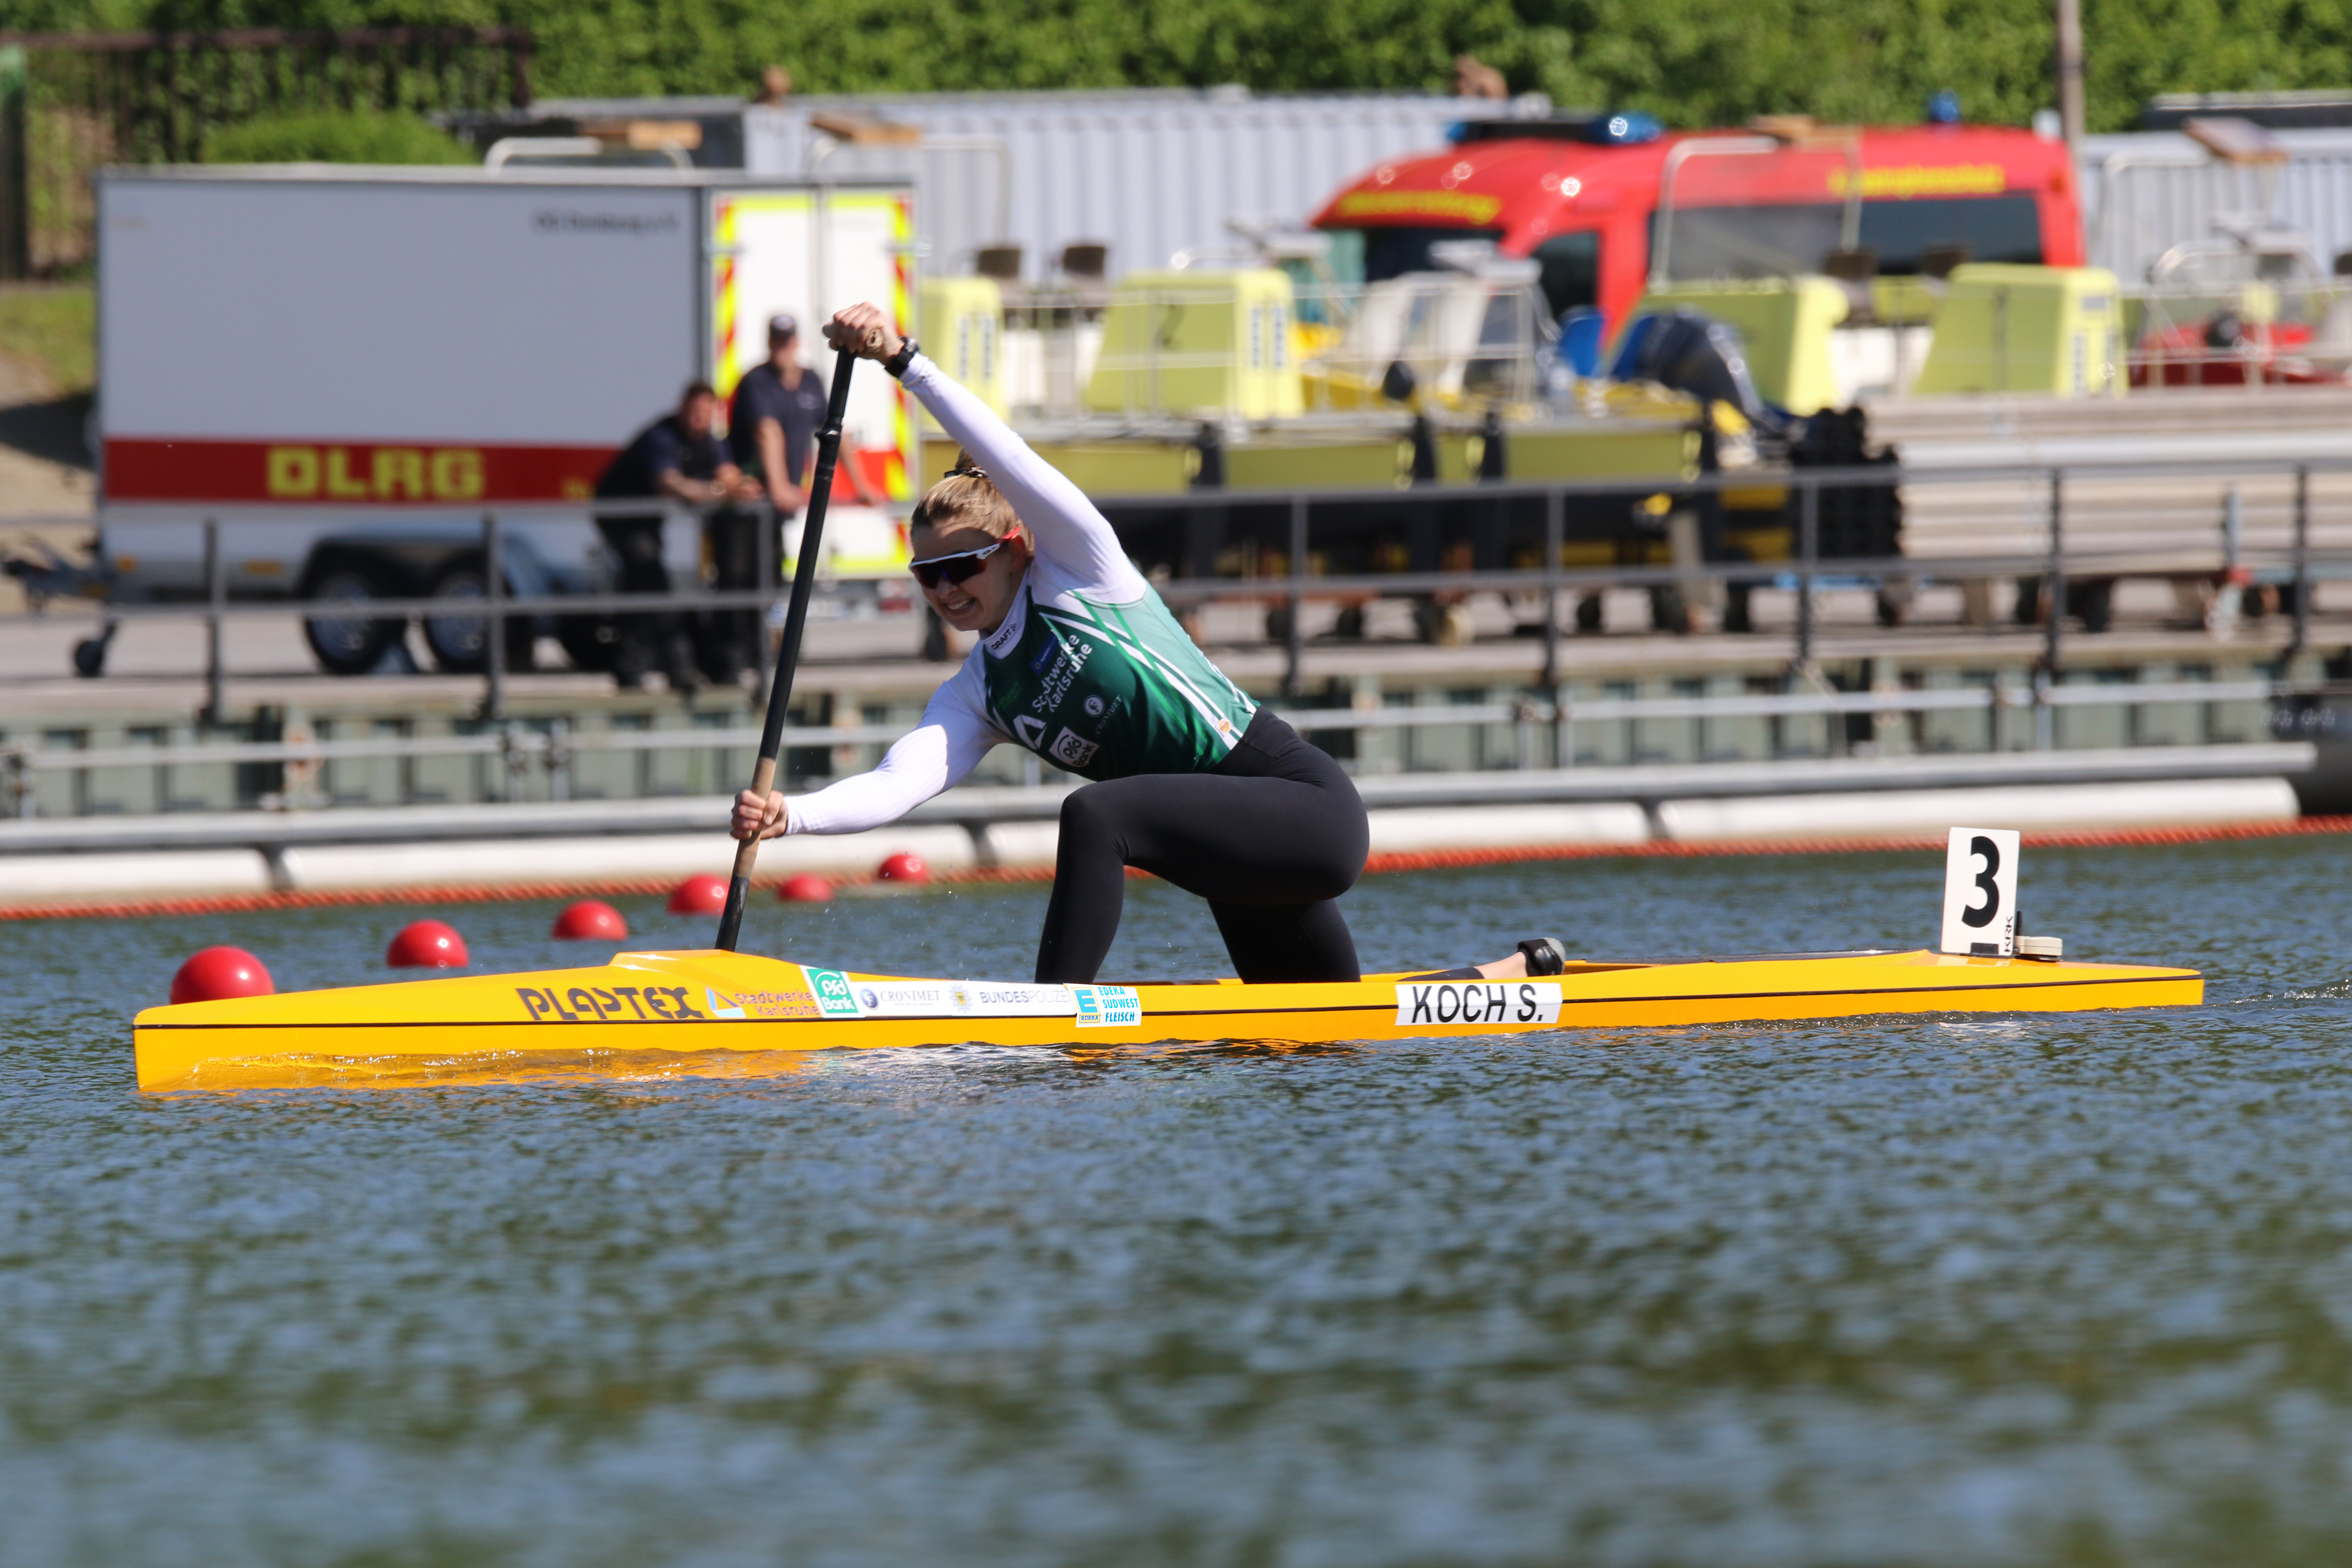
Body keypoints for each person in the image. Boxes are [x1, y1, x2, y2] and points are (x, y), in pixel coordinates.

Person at [731, 302, 1565, 987]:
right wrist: (790, 817)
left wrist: (905, 359)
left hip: (1299, 806)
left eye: (961, 564)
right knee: (1321, 1025)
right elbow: (897, 784)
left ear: (1016, 546)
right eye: (926, 576)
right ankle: (1509, 973)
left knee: (1095, 813)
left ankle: (1058, 1013)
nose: (946, 589)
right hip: (1225, 853)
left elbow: (1008, 455)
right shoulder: (979, 691)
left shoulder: (1081, 569)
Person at [594, 382, 761, 692]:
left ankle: (635, 670)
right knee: (650, 580)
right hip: (619, 512)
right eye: (694, 413)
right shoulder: (661, 436)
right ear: (681, 409)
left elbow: (728, 475)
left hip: (649, 519)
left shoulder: (710, 441)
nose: (699, 420)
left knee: (640, 586)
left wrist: (742, 486)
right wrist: (719, 492)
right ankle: (674, 670)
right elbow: (670, 485)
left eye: (705, 414)